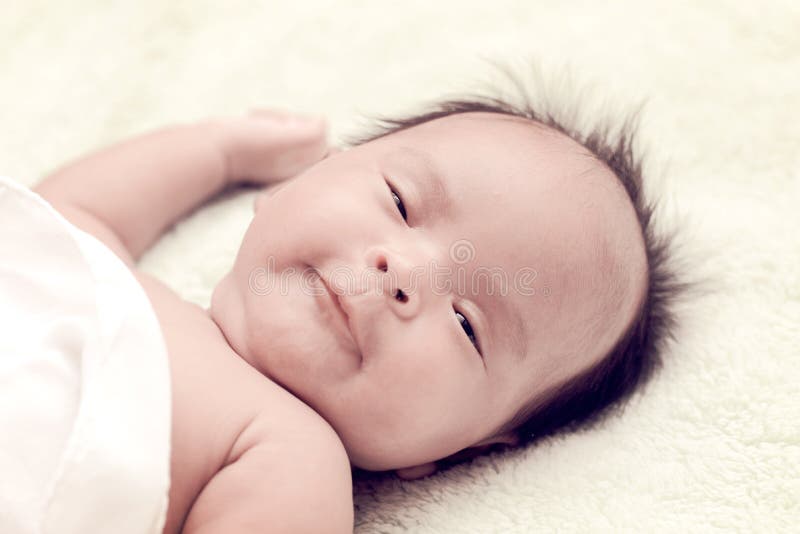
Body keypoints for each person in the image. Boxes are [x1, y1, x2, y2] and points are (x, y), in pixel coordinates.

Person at [16, 85, 677, 532]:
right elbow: (73, 208)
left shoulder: (289, 455)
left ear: (456, 454)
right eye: (400, 202)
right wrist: (217, 151)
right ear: (305, 179)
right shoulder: (106, 270)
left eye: (468, 325)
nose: (404, 273)